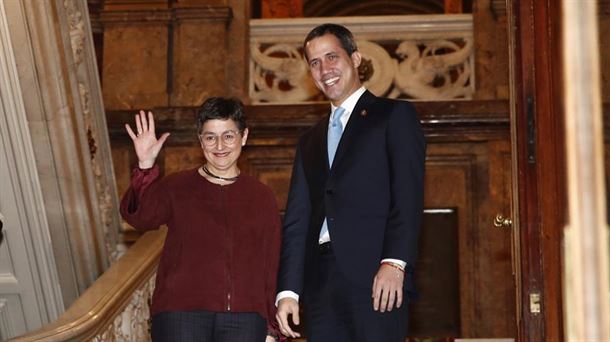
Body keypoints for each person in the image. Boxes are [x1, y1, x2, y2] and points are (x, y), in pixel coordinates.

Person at [275, 23, 426, 342]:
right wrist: (288, 291)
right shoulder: (309, 140)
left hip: (376, 279)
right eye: (314, 62)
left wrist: (394, 263)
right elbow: (297, 221)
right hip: (319, 289)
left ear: (356, 58)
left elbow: (407, 196)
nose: (324, 69)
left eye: (332, 57)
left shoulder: (393, 116)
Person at [120, 97, 282, 342]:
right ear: (200, 140)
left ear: (244, 136)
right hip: (180, 315)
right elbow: (141, 216)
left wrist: (271, 327)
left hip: (245, 318)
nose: (219, 145)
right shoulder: (177, 186)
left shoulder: (262, 196)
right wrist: (145, 165)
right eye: (210, 137)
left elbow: (272, 263)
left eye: (228, 135)